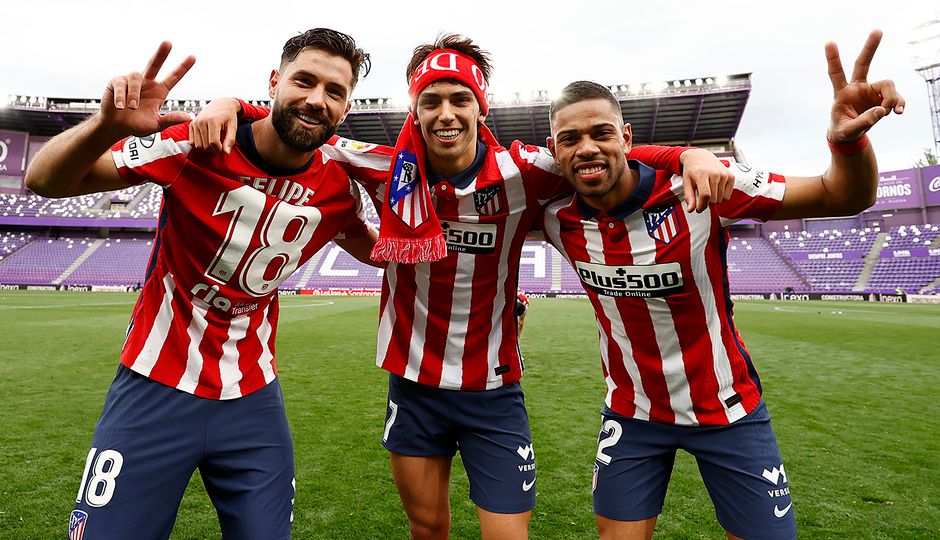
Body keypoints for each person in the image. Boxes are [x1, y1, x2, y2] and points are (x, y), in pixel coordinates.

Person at [192, 34, 732, 540]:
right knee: (427, 530)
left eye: (459, 98)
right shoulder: (383, 168)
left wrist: (689, 154)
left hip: (493, 392)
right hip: (413, 382)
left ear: (481, 106)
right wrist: (231, 104)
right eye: (431, 101)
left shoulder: (525, 172)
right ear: (415, 111)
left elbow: (607, 158)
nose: (446, 113)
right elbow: (299, 124)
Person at [539, 30, 902, 540]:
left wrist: (847, 141)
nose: (587, 147)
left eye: (601, 132)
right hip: (633, 412)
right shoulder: (554, 217)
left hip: (729, 409)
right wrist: (683, 150)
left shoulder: (706, 186)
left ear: (627, 136)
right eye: (570, 139)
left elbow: (841, 195)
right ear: (553, 149)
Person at [25, 28, 378, 539]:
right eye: (304, 81)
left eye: (334, 91)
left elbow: (392, 254)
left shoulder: (338, 191)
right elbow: (44, 182)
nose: (316, 99)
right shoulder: (196, 144)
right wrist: (105, 125)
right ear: (275, 82)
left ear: (345, 109)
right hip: (154, 383)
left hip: (253, 396)